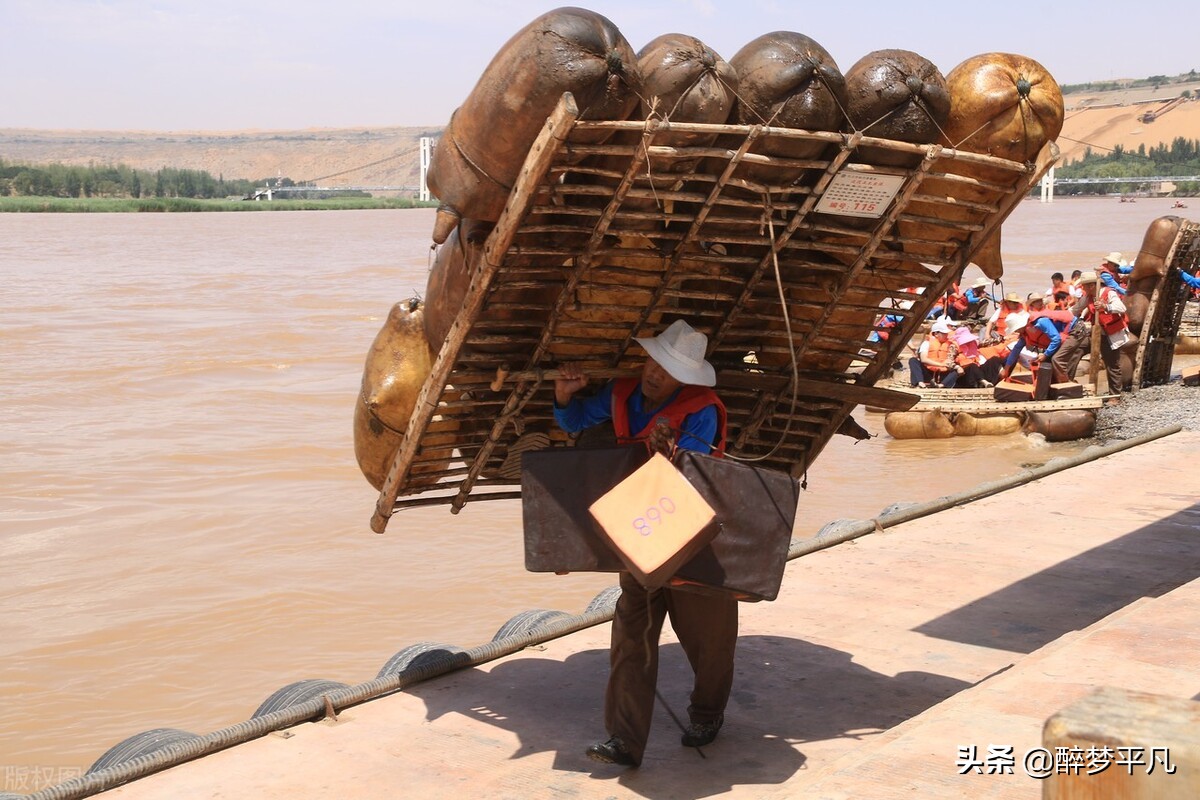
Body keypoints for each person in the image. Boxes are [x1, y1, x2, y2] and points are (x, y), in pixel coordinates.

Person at [553, 318, 736, 768]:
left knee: (709, 641)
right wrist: (563, 395)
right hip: (640, 530)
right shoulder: (622, 394)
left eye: (667, 369)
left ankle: (708, 714)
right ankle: (625, 741)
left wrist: (667, 452)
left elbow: (691, 470)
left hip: (693, 539)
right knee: (631, 638)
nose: (655, 373)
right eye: (653, 362)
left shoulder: (701, 408)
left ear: (685, 379)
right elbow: (575, 419)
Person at [1075, 271, 1130, 402]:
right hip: (1096, 333)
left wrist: (1105, 306)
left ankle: (1115, 396)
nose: (1083, 288)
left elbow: (1121, 307)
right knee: (1077, 348)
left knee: (1112, 364)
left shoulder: (1108, 292)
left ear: (1092, 286)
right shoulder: (1087, 297)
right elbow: (1075, 309)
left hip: (1111, 334)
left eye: (1084, 286)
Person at [1000, 306, 1086, 384]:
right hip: (1064, 335)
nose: (1016, 332)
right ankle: (1061, 382)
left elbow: (1056, 339)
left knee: (1057, 359)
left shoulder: (1040, 321)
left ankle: (1066, 387)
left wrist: (1045, 354)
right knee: (1046, 364)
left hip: (1075, 329)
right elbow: (1016, 350)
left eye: (1016, 329)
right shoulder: (1025, 334)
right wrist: (1006, 369)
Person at [908, 319, 958, 388]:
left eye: (946, 333)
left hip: (943, 373)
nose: (946, 335)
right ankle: (920, 382)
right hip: (929, 373)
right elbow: (924, 359)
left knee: (957, 368)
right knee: (913, 360)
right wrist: (941, 364)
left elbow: (951, 359)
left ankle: (941, 385)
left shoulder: (951, 345)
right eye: (944, 333)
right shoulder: (926, 343)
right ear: (936, 334)